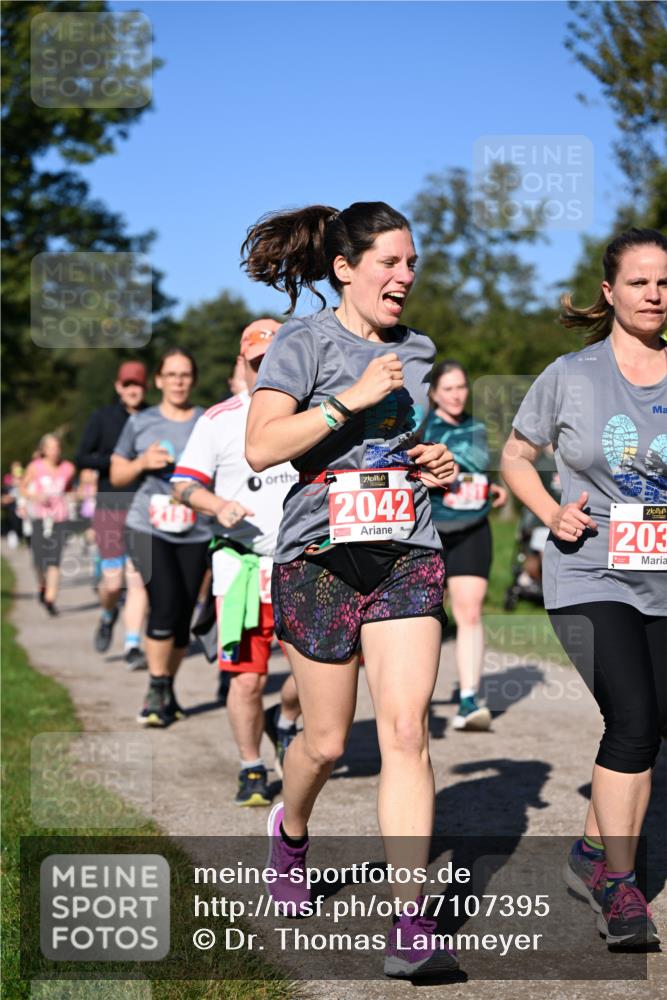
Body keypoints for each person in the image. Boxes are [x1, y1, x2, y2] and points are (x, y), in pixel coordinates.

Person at [243, 201, 459, 978]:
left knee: (405, 731)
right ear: (345, 268)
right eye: (389, 263)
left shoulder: (419, 349)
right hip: (318, 557)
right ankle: (291, 830)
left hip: (405, 550)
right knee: (327, 743)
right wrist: (347, 399)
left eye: (411, 264)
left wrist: (434, 461)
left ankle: (410, 919)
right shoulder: (301, 341)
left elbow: (403, 442)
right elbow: (260, 446)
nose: (405, 277)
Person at [501, 227, 666, 949]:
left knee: (652, 725)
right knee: (632, 718)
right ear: (609, 291)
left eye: (663, 282)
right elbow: (515, 455)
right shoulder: (570, 374)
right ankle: (620, 888)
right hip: (587, 570)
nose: (653, 294)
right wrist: (549, 511)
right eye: (638, 281)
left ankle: (592, 851)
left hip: (662, 573)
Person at [171, 319, 301, 806]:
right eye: (257, 363)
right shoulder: (218, 420)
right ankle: (251, 766)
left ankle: (284, 719)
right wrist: (216, 505)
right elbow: (182, 485)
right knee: (247, 678)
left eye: (277, 361)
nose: (267, 371)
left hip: (304, 564)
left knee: (323, 673)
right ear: (242, 364)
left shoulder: (314, 409)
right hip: (243, 566)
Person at [110, 348, 211, 726]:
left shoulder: (207, 421)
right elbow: (117, 474)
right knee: (165, 602)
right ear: (158, 380)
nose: (178, 382)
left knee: (183, 615)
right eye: (171, 375)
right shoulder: (141, 422)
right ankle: (155, 688)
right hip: (147, 527)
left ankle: (167, 687)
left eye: (185, 375)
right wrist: (141, 463)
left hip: (195, 529)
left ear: (193, 380)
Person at [423, 360, 508, 730]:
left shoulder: (478, 429)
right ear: (433, 393)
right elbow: (406, 476)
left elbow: (476, 475)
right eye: (448, 389)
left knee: (469, 612)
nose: (457, 395)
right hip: (430, 530)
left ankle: (469, 701)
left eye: (461, 387)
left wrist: (493, 490)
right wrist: (430, 478)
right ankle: (413, 699)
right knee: (425, 619)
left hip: (473, 527)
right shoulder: (422, 428)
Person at [76, 361, 149, 669]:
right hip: (110, 505)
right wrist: (118, 462)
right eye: (127, 384)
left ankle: (132, 644)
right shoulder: (102, 417)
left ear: (145, 388)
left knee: (138, 580)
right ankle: (108, 614)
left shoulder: (153, 417)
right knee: (111, 583)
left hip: (144, 507)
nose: (133, 390)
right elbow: (81, 456)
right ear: (119, 387)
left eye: (138, 385)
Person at [20, 434, 75, 616]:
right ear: (43, 450)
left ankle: (51, 599)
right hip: (40, 518)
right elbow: (23, 488)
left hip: (60, 518)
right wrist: (35, 496)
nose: (54, 451)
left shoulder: (68, 468)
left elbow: (68, 488)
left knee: (54, 559)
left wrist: (73, 495)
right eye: (50, 448)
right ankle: (42, 585)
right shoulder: (35, 467)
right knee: (38, 559)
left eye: (57, 447)